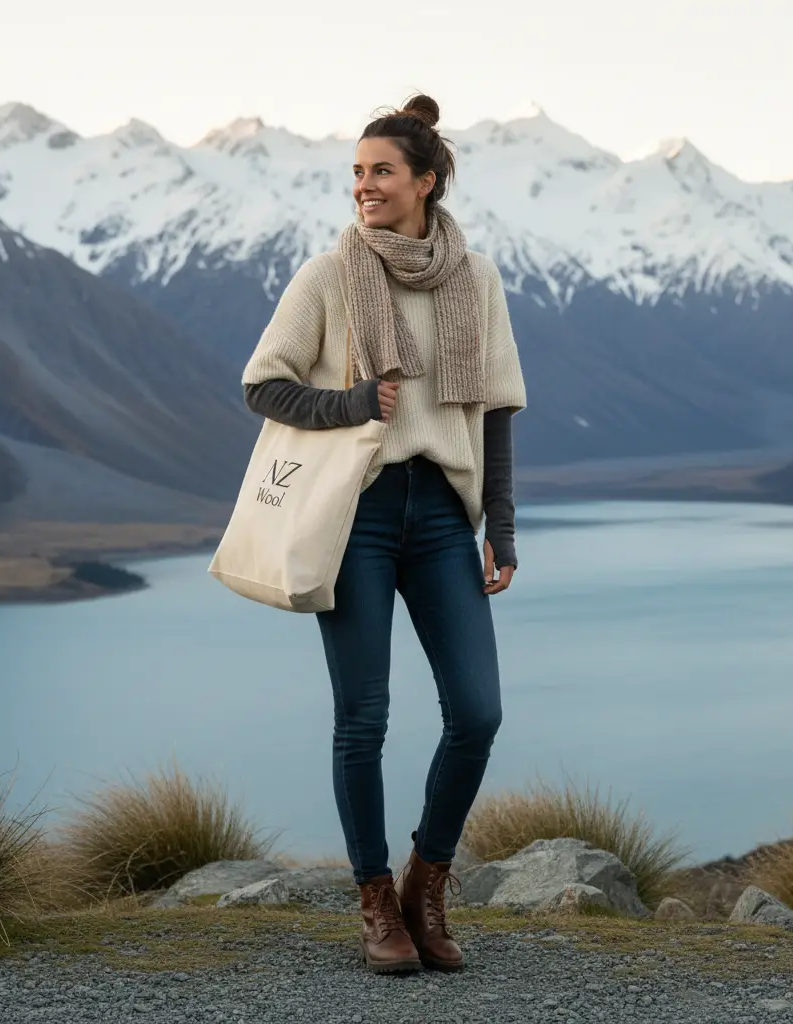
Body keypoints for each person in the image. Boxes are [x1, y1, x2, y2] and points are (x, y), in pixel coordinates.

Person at [241, 94, 527, 973]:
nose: (365, 186)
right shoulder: (329, 276)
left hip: (443, 515)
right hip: (355, 516)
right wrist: (353, 403)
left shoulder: (477, 279)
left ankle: (425, 883)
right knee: (362, 719)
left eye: (382, 172)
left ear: (426, 181)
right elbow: (263, 383)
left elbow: (496, 408)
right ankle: (375, 903)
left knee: (477, 712)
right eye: (358, 173)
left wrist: (501, 525)